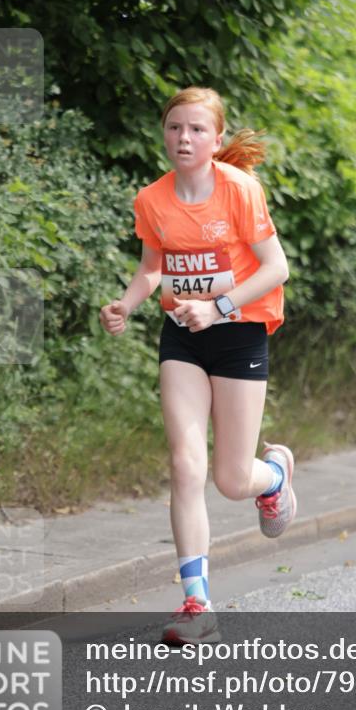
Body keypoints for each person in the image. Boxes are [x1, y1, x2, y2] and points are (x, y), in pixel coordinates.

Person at [99, 85, 296, 644]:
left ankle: (275, 475)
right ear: (164, 133)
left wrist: (218, 308)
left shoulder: (239, 190)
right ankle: (196, 601)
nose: (183, 138)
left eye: (197, 130)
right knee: (187, 466)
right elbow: (152, 268)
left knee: (232, 480)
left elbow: (276, 267)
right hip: (182, 337)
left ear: (215, 140)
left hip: (238, 336)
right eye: (174, 128)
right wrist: (126, 305)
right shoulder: (152, 199)